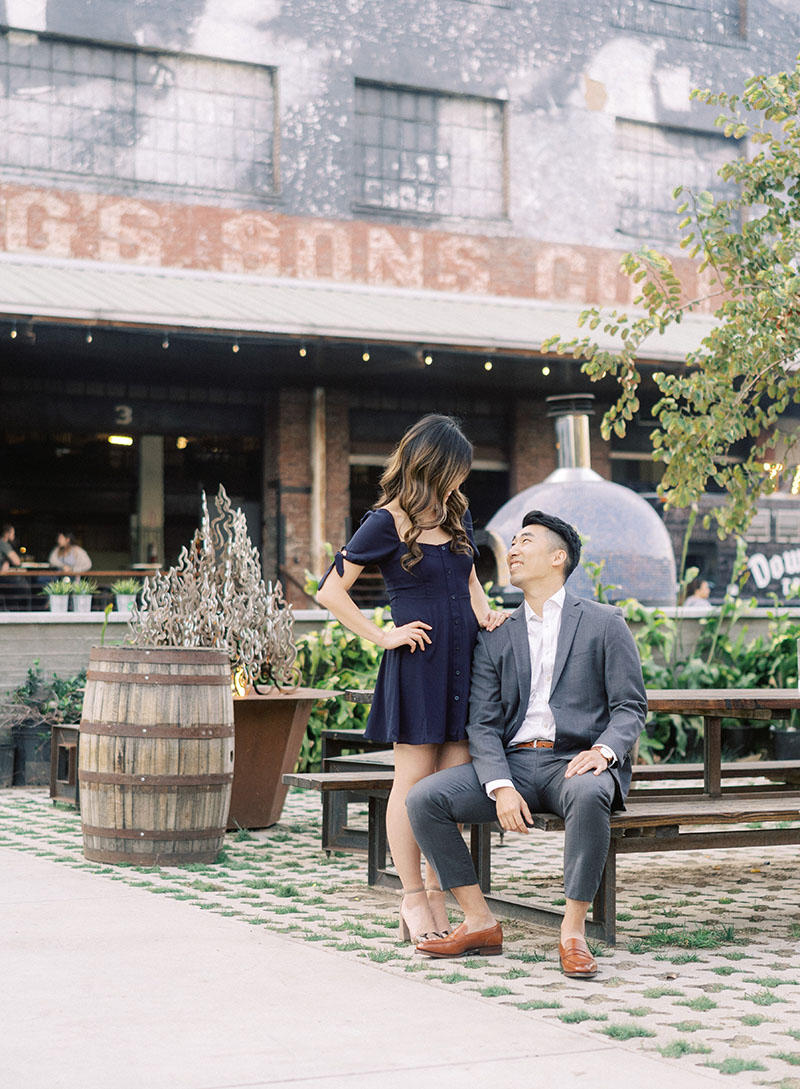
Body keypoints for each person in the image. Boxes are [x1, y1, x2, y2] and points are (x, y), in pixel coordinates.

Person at [406, 510, 647, 978]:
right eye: (512, 542)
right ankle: (479, 922)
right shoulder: (496, 635)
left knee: (590, 789)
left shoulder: (604, 623)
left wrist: (604, 752)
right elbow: (483, 723)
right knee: (424, 797)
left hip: (572, 763)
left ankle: (573, 933)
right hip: (514, 764)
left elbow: (630, 707)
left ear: (558, 557)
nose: (512, 549)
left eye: (526, 541)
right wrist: (499, 785)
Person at [316, 414, 506, 943]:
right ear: (433, 465)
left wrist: (487, 617)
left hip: (466, 663)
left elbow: (471, 584)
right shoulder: (385, 521)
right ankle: (414, 898)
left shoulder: (458, 514)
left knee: (453, 790)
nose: (460, 482)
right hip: (419, 665)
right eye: (456, 471)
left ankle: (446, 895)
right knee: (412, 786)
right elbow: (330, 592)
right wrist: (383, 636)